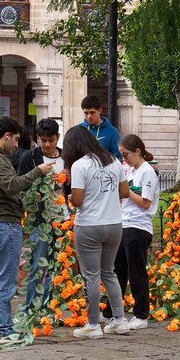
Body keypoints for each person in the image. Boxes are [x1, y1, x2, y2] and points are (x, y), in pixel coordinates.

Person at [0, 117, 54, 345]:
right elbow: (11, 185)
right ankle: (2, 329)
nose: (17, 145)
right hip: (4, 223)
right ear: (6, 135)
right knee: (6, 280)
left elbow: (5, 190)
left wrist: (28, 197)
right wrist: (38, 171)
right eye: (16, 139)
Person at [62, 125, 130, 340]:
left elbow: (78, 200)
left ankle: (92, 324)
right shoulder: (113, 160)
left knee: (91, 276)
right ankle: (119, 320)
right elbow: (125, 192)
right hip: (114, 223)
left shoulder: (79, 165)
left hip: (89, 224)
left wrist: (69, 194)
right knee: (109, 272)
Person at [101, 134, 159, 330]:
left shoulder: (147, 172)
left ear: (138, 151)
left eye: (126, 155)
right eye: (121, 155)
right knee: (117, 271)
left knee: (136, 272)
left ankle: (141, 314)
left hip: (138, 226)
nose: (124, 159)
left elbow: (145, 202)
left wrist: (127, 192)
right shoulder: (128, 169)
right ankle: (111, 312)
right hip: (123, 223)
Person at [17, 118, 69, 308]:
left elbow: (75, 189)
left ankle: (49, 306)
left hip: (63, 217)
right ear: (37, 138)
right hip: (40, 218)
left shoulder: (67, 158)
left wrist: (69, 179)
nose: (47, 145)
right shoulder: (29, 158)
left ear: (57, 138)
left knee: (58, 265)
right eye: (43, 140)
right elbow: (21, 186)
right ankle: (32, 306)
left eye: (51, 140)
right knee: (38, 265)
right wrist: (35, 192)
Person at [79, 95, 122, 162]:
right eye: (86, 113)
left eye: (92, 112)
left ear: (100, 110)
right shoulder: (78, 130)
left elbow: (118, 157)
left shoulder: (112, 132)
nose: (89, 116)